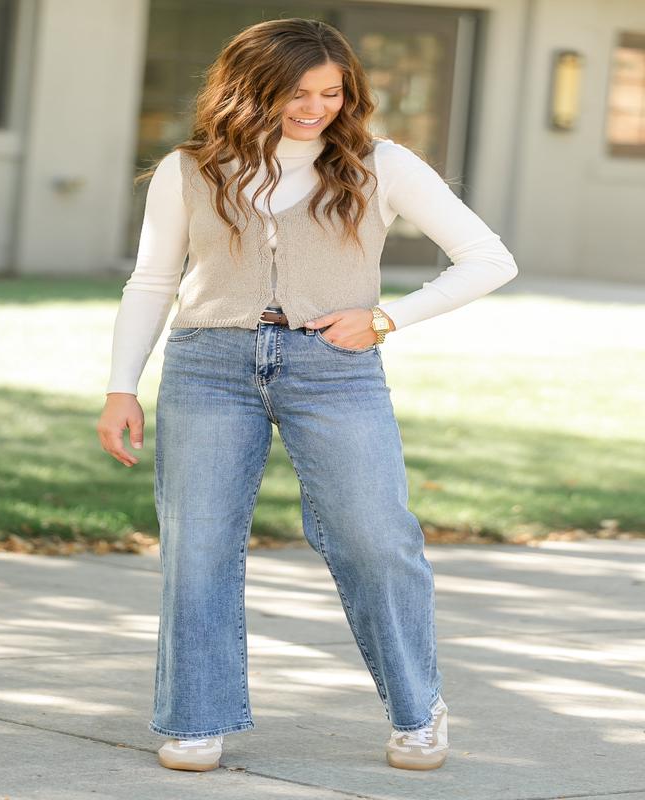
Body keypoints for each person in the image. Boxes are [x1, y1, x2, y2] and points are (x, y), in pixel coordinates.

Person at [97, 18, 518, 774]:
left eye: (332, 92)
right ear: (250, 88)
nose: (316, 107)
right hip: (207, 365)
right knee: (198, 545)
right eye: (297, 93)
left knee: (374, 536)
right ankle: (196, 719)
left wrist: (387, 318)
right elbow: (153, 282)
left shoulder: (379, 165)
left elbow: (488, 259)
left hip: (334, 366)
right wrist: (120, 386)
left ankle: (419, 710)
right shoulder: (189, 169)